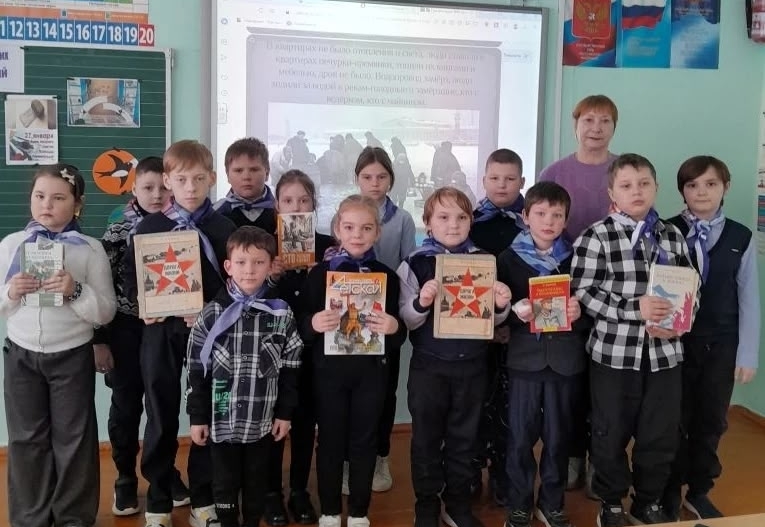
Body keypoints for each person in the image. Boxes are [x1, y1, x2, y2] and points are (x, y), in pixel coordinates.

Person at [571, 153, 697, 527]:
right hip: (614, 356)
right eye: (626, 185)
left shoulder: (672, 236)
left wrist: (680, 323)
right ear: (612, 193)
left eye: (644, 184)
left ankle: (647, 501)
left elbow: (692, 287)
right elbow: (583, 293)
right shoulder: (597, 236)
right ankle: (611, 503)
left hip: (665, 355)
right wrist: (634, 309)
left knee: (659, 433)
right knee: (609, 433)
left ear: (656, 187)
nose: (636, 191)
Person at [124, 140, 237, 527]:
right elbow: (131, 278)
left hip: (209, 336)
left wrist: (208, 310)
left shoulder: (223, 228)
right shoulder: (150, 226)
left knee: (207, 412)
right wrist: (143, 305)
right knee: (160, 411)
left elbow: (234, 283)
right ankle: (158, 497)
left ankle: (203, 497)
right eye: (182, 179)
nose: (191, 187)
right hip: (161, 335)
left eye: (199, 179)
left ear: (212, 179)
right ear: (168, 180)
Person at [0, 164, 117, 527]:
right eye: (39, 196)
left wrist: (75, 291)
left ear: (77, 204)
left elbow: (106, 311)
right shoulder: (11, 245)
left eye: (58, 198)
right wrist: (11, 292)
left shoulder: (90, 250)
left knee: (75, 441)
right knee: (26, 440)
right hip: (21, 355)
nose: (46, 205)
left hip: (71, 356)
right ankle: (30, 518)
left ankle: (73, 518)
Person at [397, 187, 512, 527]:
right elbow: (407, 318)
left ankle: (458, 505)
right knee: (426, 440)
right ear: (428, 222)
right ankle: (427, 505)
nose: (453, 224)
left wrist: (501, 305)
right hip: (429, 367)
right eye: (443, 217)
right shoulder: (415, 262)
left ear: (471, 221)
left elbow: (494, 321)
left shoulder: (484, 261)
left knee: (465, 440)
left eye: (462, 217)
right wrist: (422, 302)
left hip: (473, 367)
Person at [298, 195, 406, 527]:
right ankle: (330, 510)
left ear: (377, 232)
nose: (357, 234)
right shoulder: (319, 274)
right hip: (328, 374)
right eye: (349, 227)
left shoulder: (387, 277)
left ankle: (359, 511)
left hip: (371, 375)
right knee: (330, 440)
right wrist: (314, 323)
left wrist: (393, 327)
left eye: (366, 228)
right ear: (337, 230)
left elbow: (399, 335)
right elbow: (301, 325)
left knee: (364, 441)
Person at [662, 156, 760, 521]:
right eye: (692, 185)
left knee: (712, 419)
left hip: (722, 343)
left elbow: (749, 298)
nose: (701, 192)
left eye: (711, 184)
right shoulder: (666, 230)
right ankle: (669, 489)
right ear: (682, 191)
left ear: (725, 187)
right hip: (676, 342)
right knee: (674, 418)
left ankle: (699, 490)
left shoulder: (740, 237)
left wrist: (747, 354)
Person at [186, 226, 304, 527]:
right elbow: (196, 369)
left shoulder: (281, 314)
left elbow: (291, 367)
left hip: (261, 423)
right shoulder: (211, 314)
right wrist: (198, 417)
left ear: (271, 266)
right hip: (221, 422)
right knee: (224, 487)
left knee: (256, 488)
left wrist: (285, 413)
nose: (249, 270)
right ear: (228, 266)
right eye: (241, 262)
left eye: (258, 262)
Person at [93, 156, 190, 516]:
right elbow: (101, 286)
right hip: (125, 328)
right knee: (126, 405)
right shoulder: (117, 230)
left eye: (163, 187)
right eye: (148, 187)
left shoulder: (180, 228)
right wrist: (100, 339)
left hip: (164, 328)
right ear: (133, 188)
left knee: (162, 405)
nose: (157, 195)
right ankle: (124, 477)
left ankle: (164, 473)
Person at [538, 94, 619, 492]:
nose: (596, 128)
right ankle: (570, 455)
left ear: (614, 127)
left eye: (605, 121)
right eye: (588, 120)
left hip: (612, 291)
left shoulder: (623, 170)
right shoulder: (554, 172)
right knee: (568, 379)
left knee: (602, 385)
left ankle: (598, 459)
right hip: (562, 288)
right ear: (575, 125)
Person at [497, 181, 586, 527]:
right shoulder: (508, 258)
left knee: (559, 437)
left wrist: (580, 313)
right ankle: (519, 503)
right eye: (541, 213)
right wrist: (513, 311)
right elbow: (496, 313)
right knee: (520, 437)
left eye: (557, 215)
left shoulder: (577, 258)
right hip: (525, 361)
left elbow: (590, 310)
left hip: (565, 362)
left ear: (566, 220)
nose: (548, 221)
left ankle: (551, 503)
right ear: (525, 216)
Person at [265, 170, 336, 527]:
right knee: (273, 421)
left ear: (313, 204)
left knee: (306, 422)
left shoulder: (328, 246)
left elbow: (338, 301)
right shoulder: (265, 246)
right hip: (272, 351)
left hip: (311, 350)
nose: (296, 206)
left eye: (303, 200)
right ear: (277, 206)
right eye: (288, 200)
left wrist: (320, 273)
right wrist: (271, 276)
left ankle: (298, 490)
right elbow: (250, 297)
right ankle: (270, 494)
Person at [354, 146, 416, 492]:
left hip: (387, 316)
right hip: (349, 315)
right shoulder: (346, 213)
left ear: (391, 179)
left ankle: (380, 456)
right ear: (357, 179)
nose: (374, 183)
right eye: (367, 177)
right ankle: (349, 459)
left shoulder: (403, 219)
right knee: (351, 391)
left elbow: (408, 269)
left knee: (384, 391)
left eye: (381, 176)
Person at [468, 148, 527, 504]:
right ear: (484, 180)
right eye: (494, 178)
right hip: (477, 331)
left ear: (522, 182)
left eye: (510, 178)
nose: (501, 184)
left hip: (520, 332)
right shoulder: (470, 223)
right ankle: (472, 470)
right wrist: (489, 324)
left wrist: (510, 322)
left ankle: (505, 473)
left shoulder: (532, 222)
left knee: (511, 407)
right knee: (476, 403)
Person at [214, 137, 277, 234]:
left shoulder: (281, 212)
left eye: (254, 170)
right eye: (238, 170)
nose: (246, 177)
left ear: (267, 173)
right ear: (227, 175)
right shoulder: (215, 213)